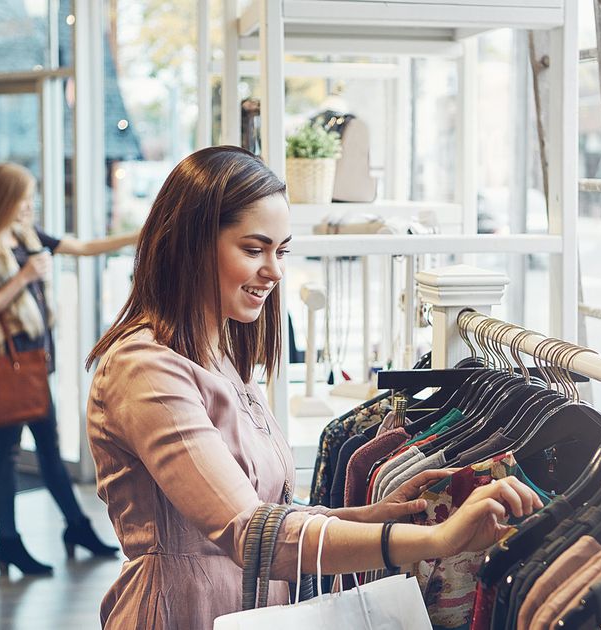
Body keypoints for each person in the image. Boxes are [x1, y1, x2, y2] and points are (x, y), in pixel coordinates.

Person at [84, 146, 543, 629]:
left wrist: (370, 516)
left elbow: (268, 512)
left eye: (281, 251)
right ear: (191, 244)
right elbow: (250, 533)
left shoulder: (219, 354)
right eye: (253, 249)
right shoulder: (146, 368)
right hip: (181, 612)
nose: (275, 271)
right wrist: (438, 541)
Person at [0, 162, 139, 578]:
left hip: (34, 363)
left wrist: (141, 234)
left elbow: (83, 248)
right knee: (6, 453)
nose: (29, 204)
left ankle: (74, 528)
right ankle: (10, 542)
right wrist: (24, 276)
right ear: (4, 198)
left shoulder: (27, 235)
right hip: (8, 364)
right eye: (24, 196)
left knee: (48, 448)